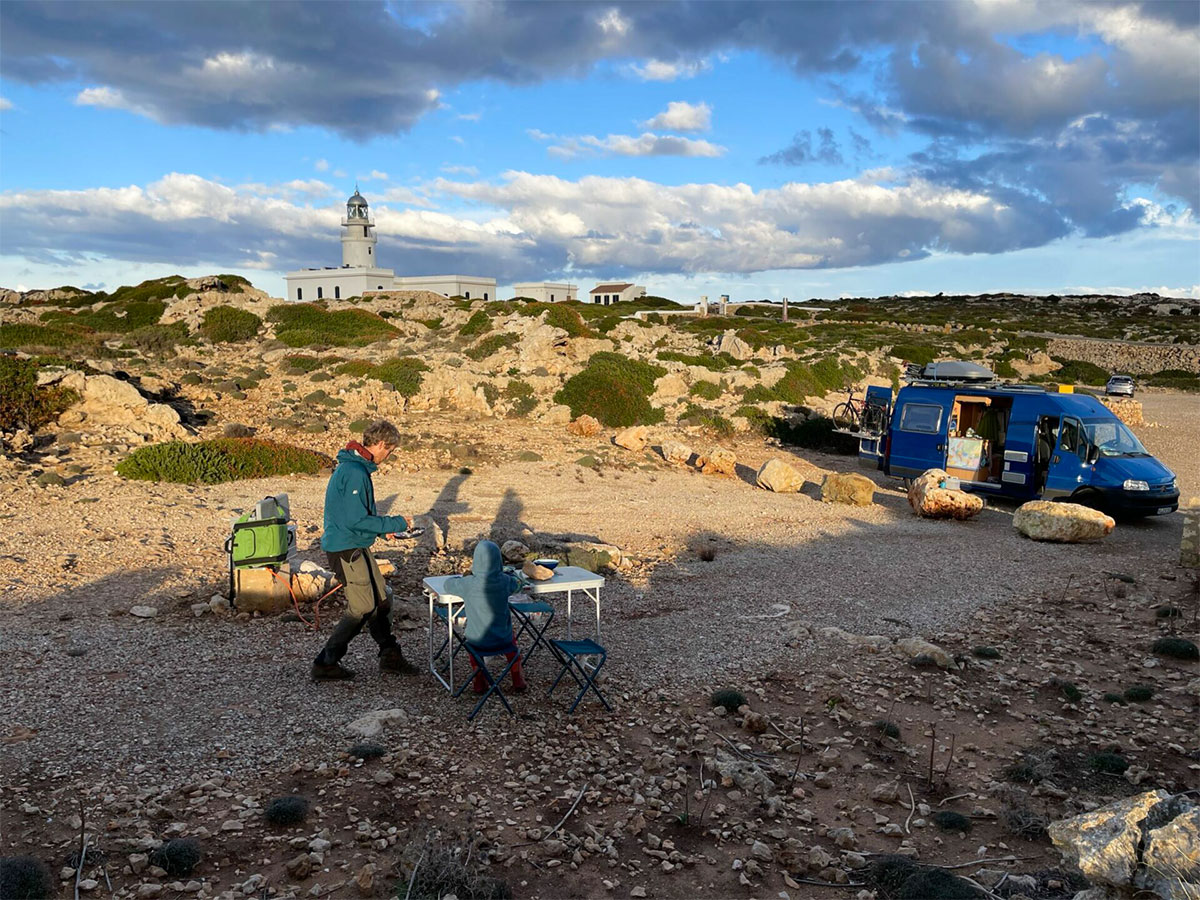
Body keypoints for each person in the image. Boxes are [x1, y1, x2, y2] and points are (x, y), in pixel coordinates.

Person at [312, 420, 417, 681]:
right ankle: (326, 662)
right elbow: (355, 520)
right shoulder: (355, 472)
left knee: (381, 599)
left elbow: (358, 517)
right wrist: (396, 522)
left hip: (355, 544)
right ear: (381, 444)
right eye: (389, 451)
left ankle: (390, 654)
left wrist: (382, 530)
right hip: (346, 548)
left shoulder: (355, 468)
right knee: (362, 607)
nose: (388, 456)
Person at [446, 540, 528, 694]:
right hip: (504, 640)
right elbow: (520, 584)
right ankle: (517, 677)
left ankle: (479, 680)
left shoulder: (468, 583)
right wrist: (509, 573)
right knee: (512, 638)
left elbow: (447, 585)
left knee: (472, 639)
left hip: (478, 642)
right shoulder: (505, 581)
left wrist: (462, 578)